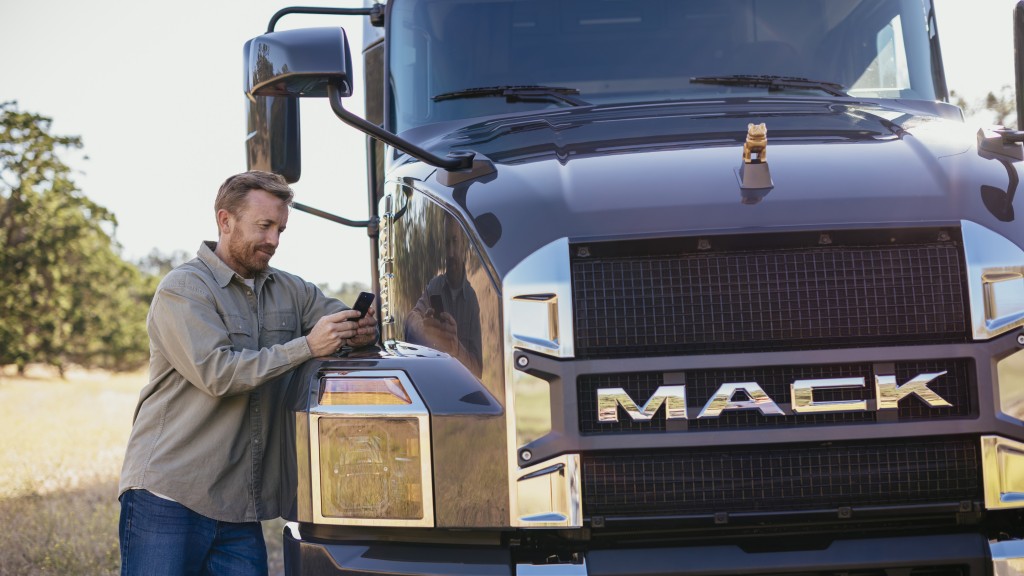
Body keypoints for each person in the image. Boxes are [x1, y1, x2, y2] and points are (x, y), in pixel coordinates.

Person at [117, 170, 376, 575]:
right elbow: (218, 374)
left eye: (280, 229)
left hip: (239, 505)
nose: (273, 240)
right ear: (225, 221)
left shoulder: (292, 290)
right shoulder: (183, 290)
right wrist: (307, 346)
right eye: (264, 226)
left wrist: (358, 330)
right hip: (169, 495)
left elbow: (336, 321)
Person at [404, 212, 482, 378]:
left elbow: (478, 370)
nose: (451, 253)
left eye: (455, 242)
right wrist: (424, 328)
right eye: (447, 244)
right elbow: (410, 319)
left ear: (464, 246)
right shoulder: (434, 286)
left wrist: (456, 348)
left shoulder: (473, 299)